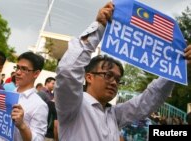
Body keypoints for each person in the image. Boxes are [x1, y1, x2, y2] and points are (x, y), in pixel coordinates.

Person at [54, 2, 191, 141]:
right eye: (108, 75)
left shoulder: (114, 115)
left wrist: (178, 66)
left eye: (118, 79)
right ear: (89, 77)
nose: (114, 82)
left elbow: (149, 99)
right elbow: (67, 71)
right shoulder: (72, 105)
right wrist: (99, 26)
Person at [0, 51, 48, 141]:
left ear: (36, 74)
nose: (17, 72)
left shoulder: (39, 105)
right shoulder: (4, 94)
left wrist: (22, 126)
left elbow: (39, 139)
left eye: (24, 69)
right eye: (17, 67)